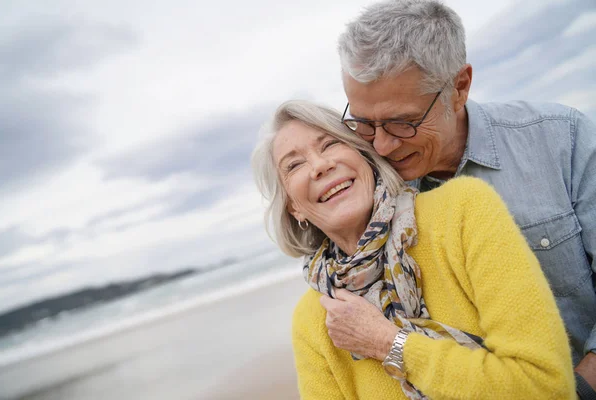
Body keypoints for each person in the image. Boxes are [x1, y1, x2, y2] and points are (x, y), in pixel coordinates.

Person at [334, 0, 596, 396]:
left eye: (403, 124)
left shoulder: (563, 140)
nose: (382, 146)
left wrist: (579, 388)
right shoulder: (369, 194)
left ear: (459, 87)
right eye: (364, 123)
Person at [251, 99, 575, 399]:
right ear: (294, 207)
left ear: (363, 155)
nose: (319, 166)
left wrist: (387, 343)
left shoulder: (463, 211)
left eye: (330, 143)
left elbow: (545, 385)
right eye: (294, 165)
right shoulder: (313, 320)